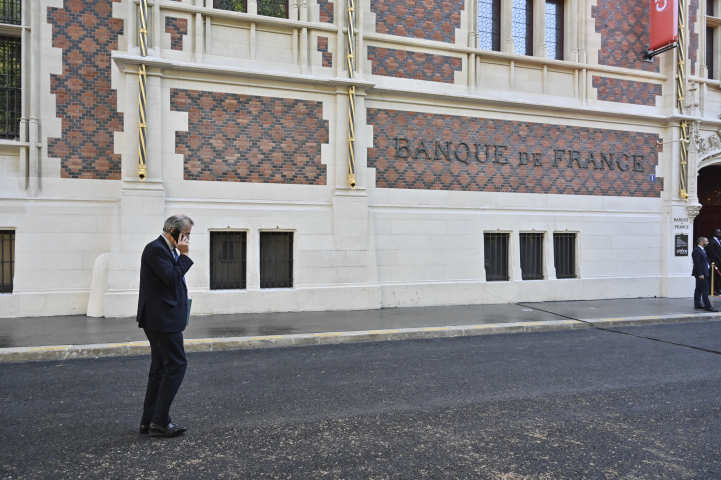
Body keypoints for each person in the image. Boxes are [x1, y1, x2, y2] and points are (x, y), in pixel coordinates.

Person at [137, 214, 194, 436]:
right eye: (186, 235)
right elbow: (171, 279)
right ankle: (160, 421)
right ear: (173, 232)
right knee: (177, 364)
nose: (188, 240)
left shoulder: (165, 249)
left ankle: (149, 420)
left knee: (160, 368)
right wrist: (185, 256)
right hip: (161, 320)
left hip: (164, 318)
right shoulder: (156, 249)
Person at [692, 237, 719, 312]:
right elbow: (697, 264)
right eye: (706, 241)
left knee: (698, 289)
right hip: (701, 273)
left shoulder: (702, 250)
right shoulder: (697, 251)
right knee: (705, 289)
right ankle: (708, 306)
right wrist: (700, 274)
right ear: (701, 242)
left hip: (704, 272)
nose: (708, 242)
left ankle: (697, 303)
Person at [706, 229, 721, 295]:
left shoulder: (718, 241)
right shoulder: (711, 241)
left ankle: (718, 289)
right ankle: (711, 290)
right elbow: (712, 252)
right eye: (718, 232)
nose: (719, 234)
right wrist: (719, 259)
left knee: (718, 276)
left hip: (718, 262)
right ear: (714, 233)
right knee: (713, 276)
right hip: (714, 262)